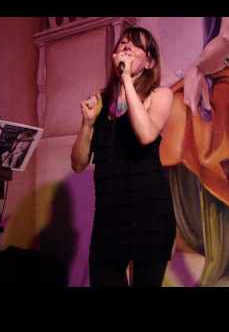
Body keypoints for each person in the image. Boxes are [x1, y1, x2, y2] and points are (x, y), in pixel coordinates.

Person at [71, 26, 176, 287]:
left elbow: (146, 134)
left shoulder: (160, 96)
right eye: (123, 43)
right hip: (109, 217)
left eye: (136, 45)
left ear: (150, 61)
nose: (126, 47)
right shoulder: (100, 101)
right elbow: (78, 163)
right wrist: (87, 124)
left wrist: (126, 79)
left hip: (150, 214)